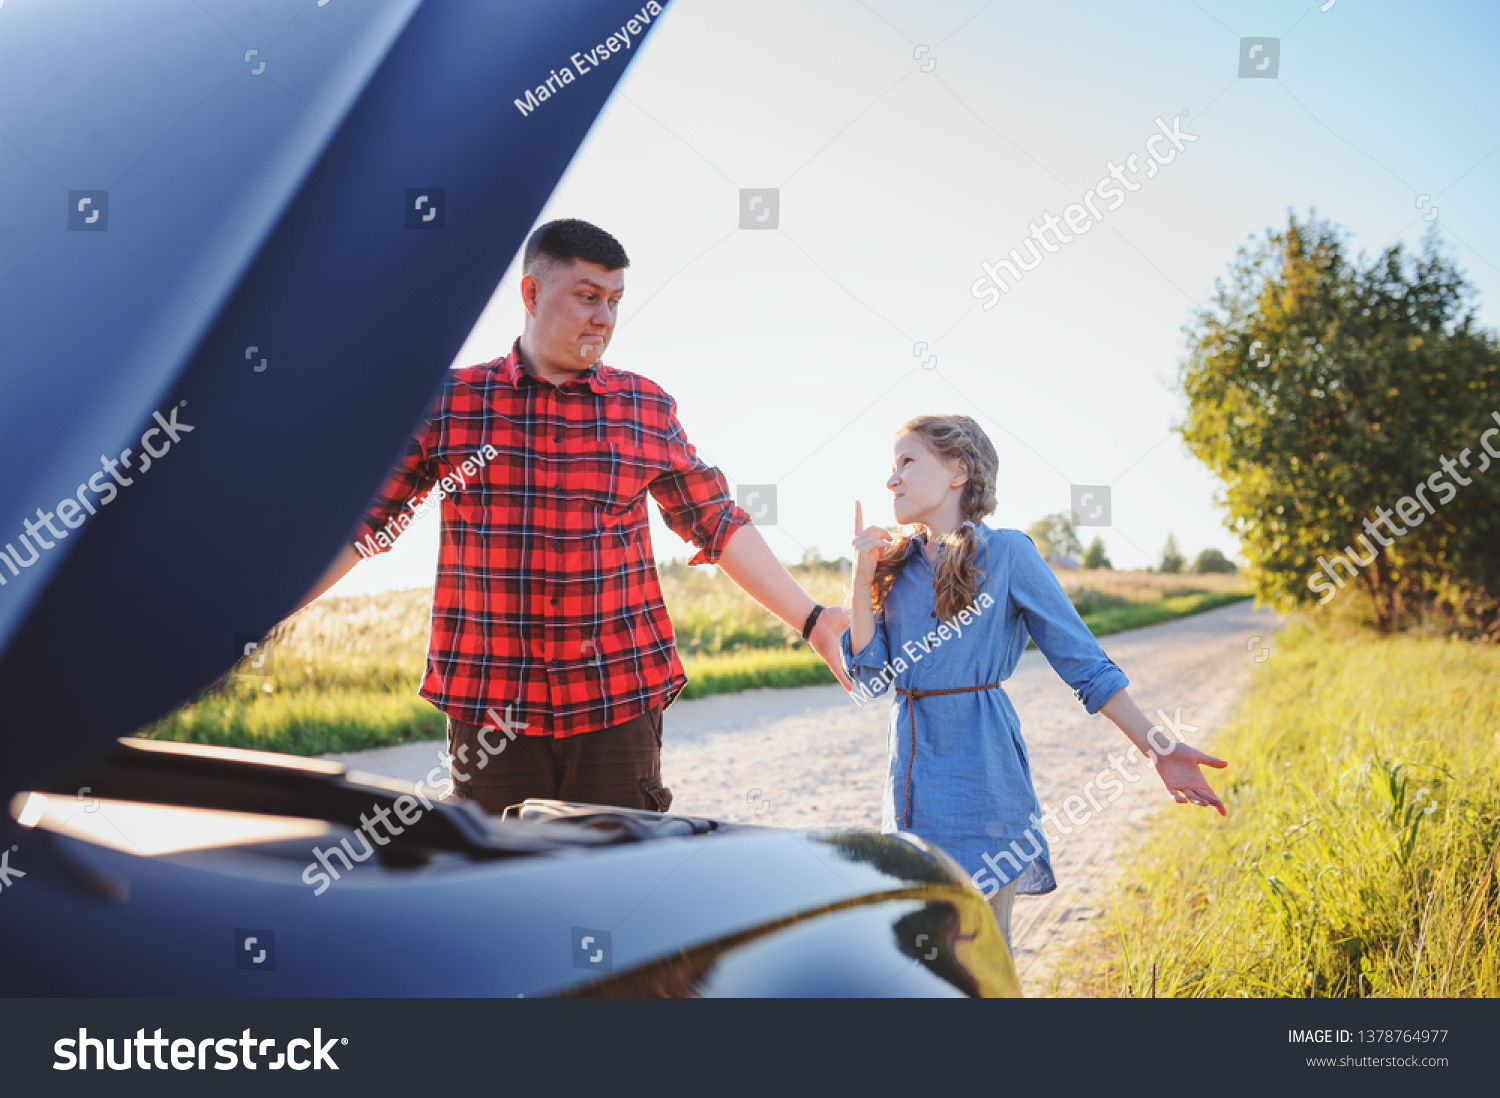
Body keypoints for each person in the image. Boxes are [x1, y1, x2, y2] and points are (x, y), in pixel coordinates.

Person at [298, 219, 852, 815]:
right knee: (497, 893)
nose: (605, 318)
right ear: (532, 295)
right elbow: (364, 528)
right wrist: (246, 623)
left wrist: (814, 618)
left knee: (610, 896)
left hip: (618, 700)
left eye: (614, 301)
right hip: (492, 713)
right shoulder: (453, 404)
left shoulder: (643, 406)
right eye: (588, 296)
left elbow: (715, 522)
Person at [842, 414, 1226, 951]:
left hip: (983, 787)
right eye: (891, 466)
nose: (892, 480)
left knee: (977, 963)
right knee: (919, 965)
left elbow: (1083, 662)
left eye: (907, 462)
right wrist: (861, 582)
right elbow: (867, 679)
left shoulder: (1007, 555)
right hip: (905, 797)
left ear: (958, 470)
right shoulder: (895, 564)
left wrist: (1156, 745)